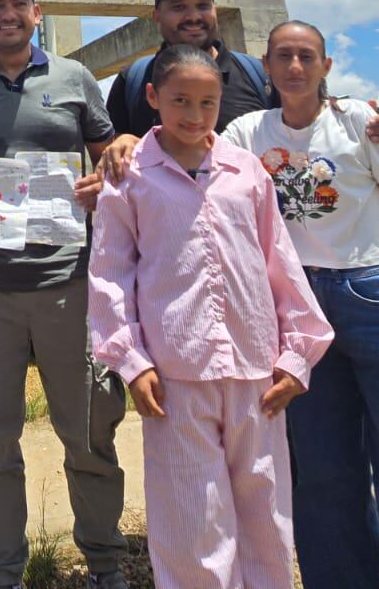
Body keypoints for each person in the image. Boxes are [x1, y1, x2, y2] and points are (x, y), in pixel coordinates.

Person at [224, 21, 379, 589]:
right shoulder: (246, 132)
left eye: (307, 56)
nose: (295, 67)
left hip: (375, 296)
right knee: (325, 476)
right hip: (297, 309)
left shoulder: (358, 121)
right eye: (283, 56)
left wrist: (378, 262)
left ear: (327, 66)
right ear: (266, 66)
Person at [89, 45, 334, 589]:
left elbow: (279, 261)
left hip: (257, 370)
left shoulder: (246, 171)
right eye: (180, 100)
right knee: (192, 519)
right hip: (176, 374)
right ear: (153, 98)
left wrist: (297, 355)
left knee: (265, 511)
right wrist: (131, 361)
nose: (194, 114)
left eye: (208, 102)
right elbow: (110, 274)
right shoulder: (130, 178)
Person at [0, 0, 129, 589]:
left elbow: (109, 149)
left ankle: (105, 562)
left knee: (90, 431)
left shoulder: (74, 78)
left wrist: (106, 174)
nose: (8, 14)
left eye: (19, 4)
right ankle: (6, 571)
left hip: (69, 283)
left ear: (36, 14)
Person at [101, 0, 379, 168]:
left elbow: (311, 126)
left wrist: (367, 127)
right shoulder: (134, 79)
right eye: (179, 7)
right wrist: (123, 142)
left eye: (203, 5)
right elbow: (115, 153)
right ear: (156, 16)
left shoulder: (258, 76)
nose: (193, 16)